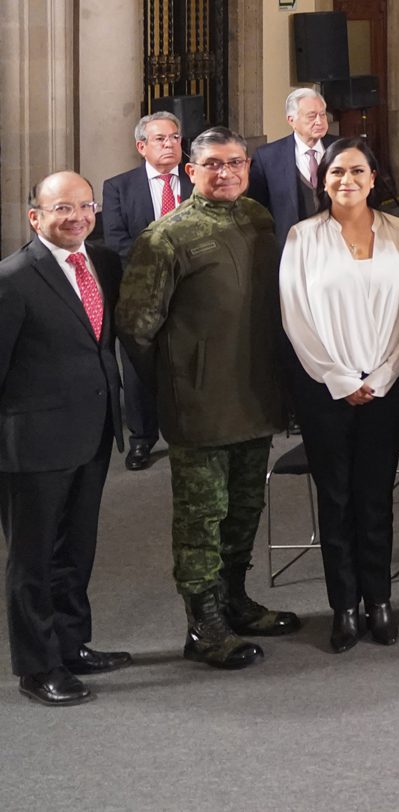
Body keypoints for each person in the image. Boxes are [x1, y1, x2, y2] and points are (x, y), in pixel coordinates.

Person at [118, 127, 298, 668]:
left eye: (236, 163)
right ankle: (204, 625)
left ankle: (234, 600)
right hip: (200, 403)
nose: (226, 174)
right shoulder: (165, 236)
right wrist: (179, 377)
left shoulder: (258, 221)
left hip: (256, 393)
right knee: (202, 517)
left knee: (244, 509)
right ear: (191, 171)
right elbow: (136, 326)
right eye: (213, 164)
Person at [277, 137, 399, 654]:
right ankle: (344, 606)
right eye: (336, 172)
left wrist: (381, 376)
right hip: (324, 389)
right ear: (324, 180)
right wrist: (339, 379)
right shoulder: (303, 237)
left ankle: (379, 600)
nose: (346, 180)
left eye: (357, 171)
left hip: (388, 384)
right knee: (335, 499)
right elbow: (295, 316)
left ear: (374, 177)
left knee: (376, 497)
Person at [2, 173, 130, 707]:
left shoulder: (101, 262)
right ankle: (38, 666)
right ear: (35, 217)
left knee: (76, 551)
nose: (76, 217)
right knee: (32, 561)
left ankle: (73, 645)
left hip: (92, 433)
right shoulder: (12, 278)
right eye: (61, 209)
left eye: (85, 206)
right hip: (32, 444)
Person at [98, 109, 189, 470]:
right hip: (140, 292)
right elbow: (118, 242)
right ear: (142, 146)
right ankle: (142, 438)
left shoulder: (196, 179)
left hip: (190, 289)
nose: (170, 145)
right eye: (160, 139)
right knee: (137, 369)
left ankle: (186, 432)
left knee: (187, 363)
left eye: (175, 138)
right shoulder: (119, 187)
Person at [246, 86, 330, 245]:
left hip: (337, 243)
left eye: (323, 115)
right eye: (312, 116)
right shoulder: (268, 157)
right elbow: (256, 209)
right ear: (291, 120)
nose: (319, 121)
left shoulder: (343, 149)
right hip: (291, 246)